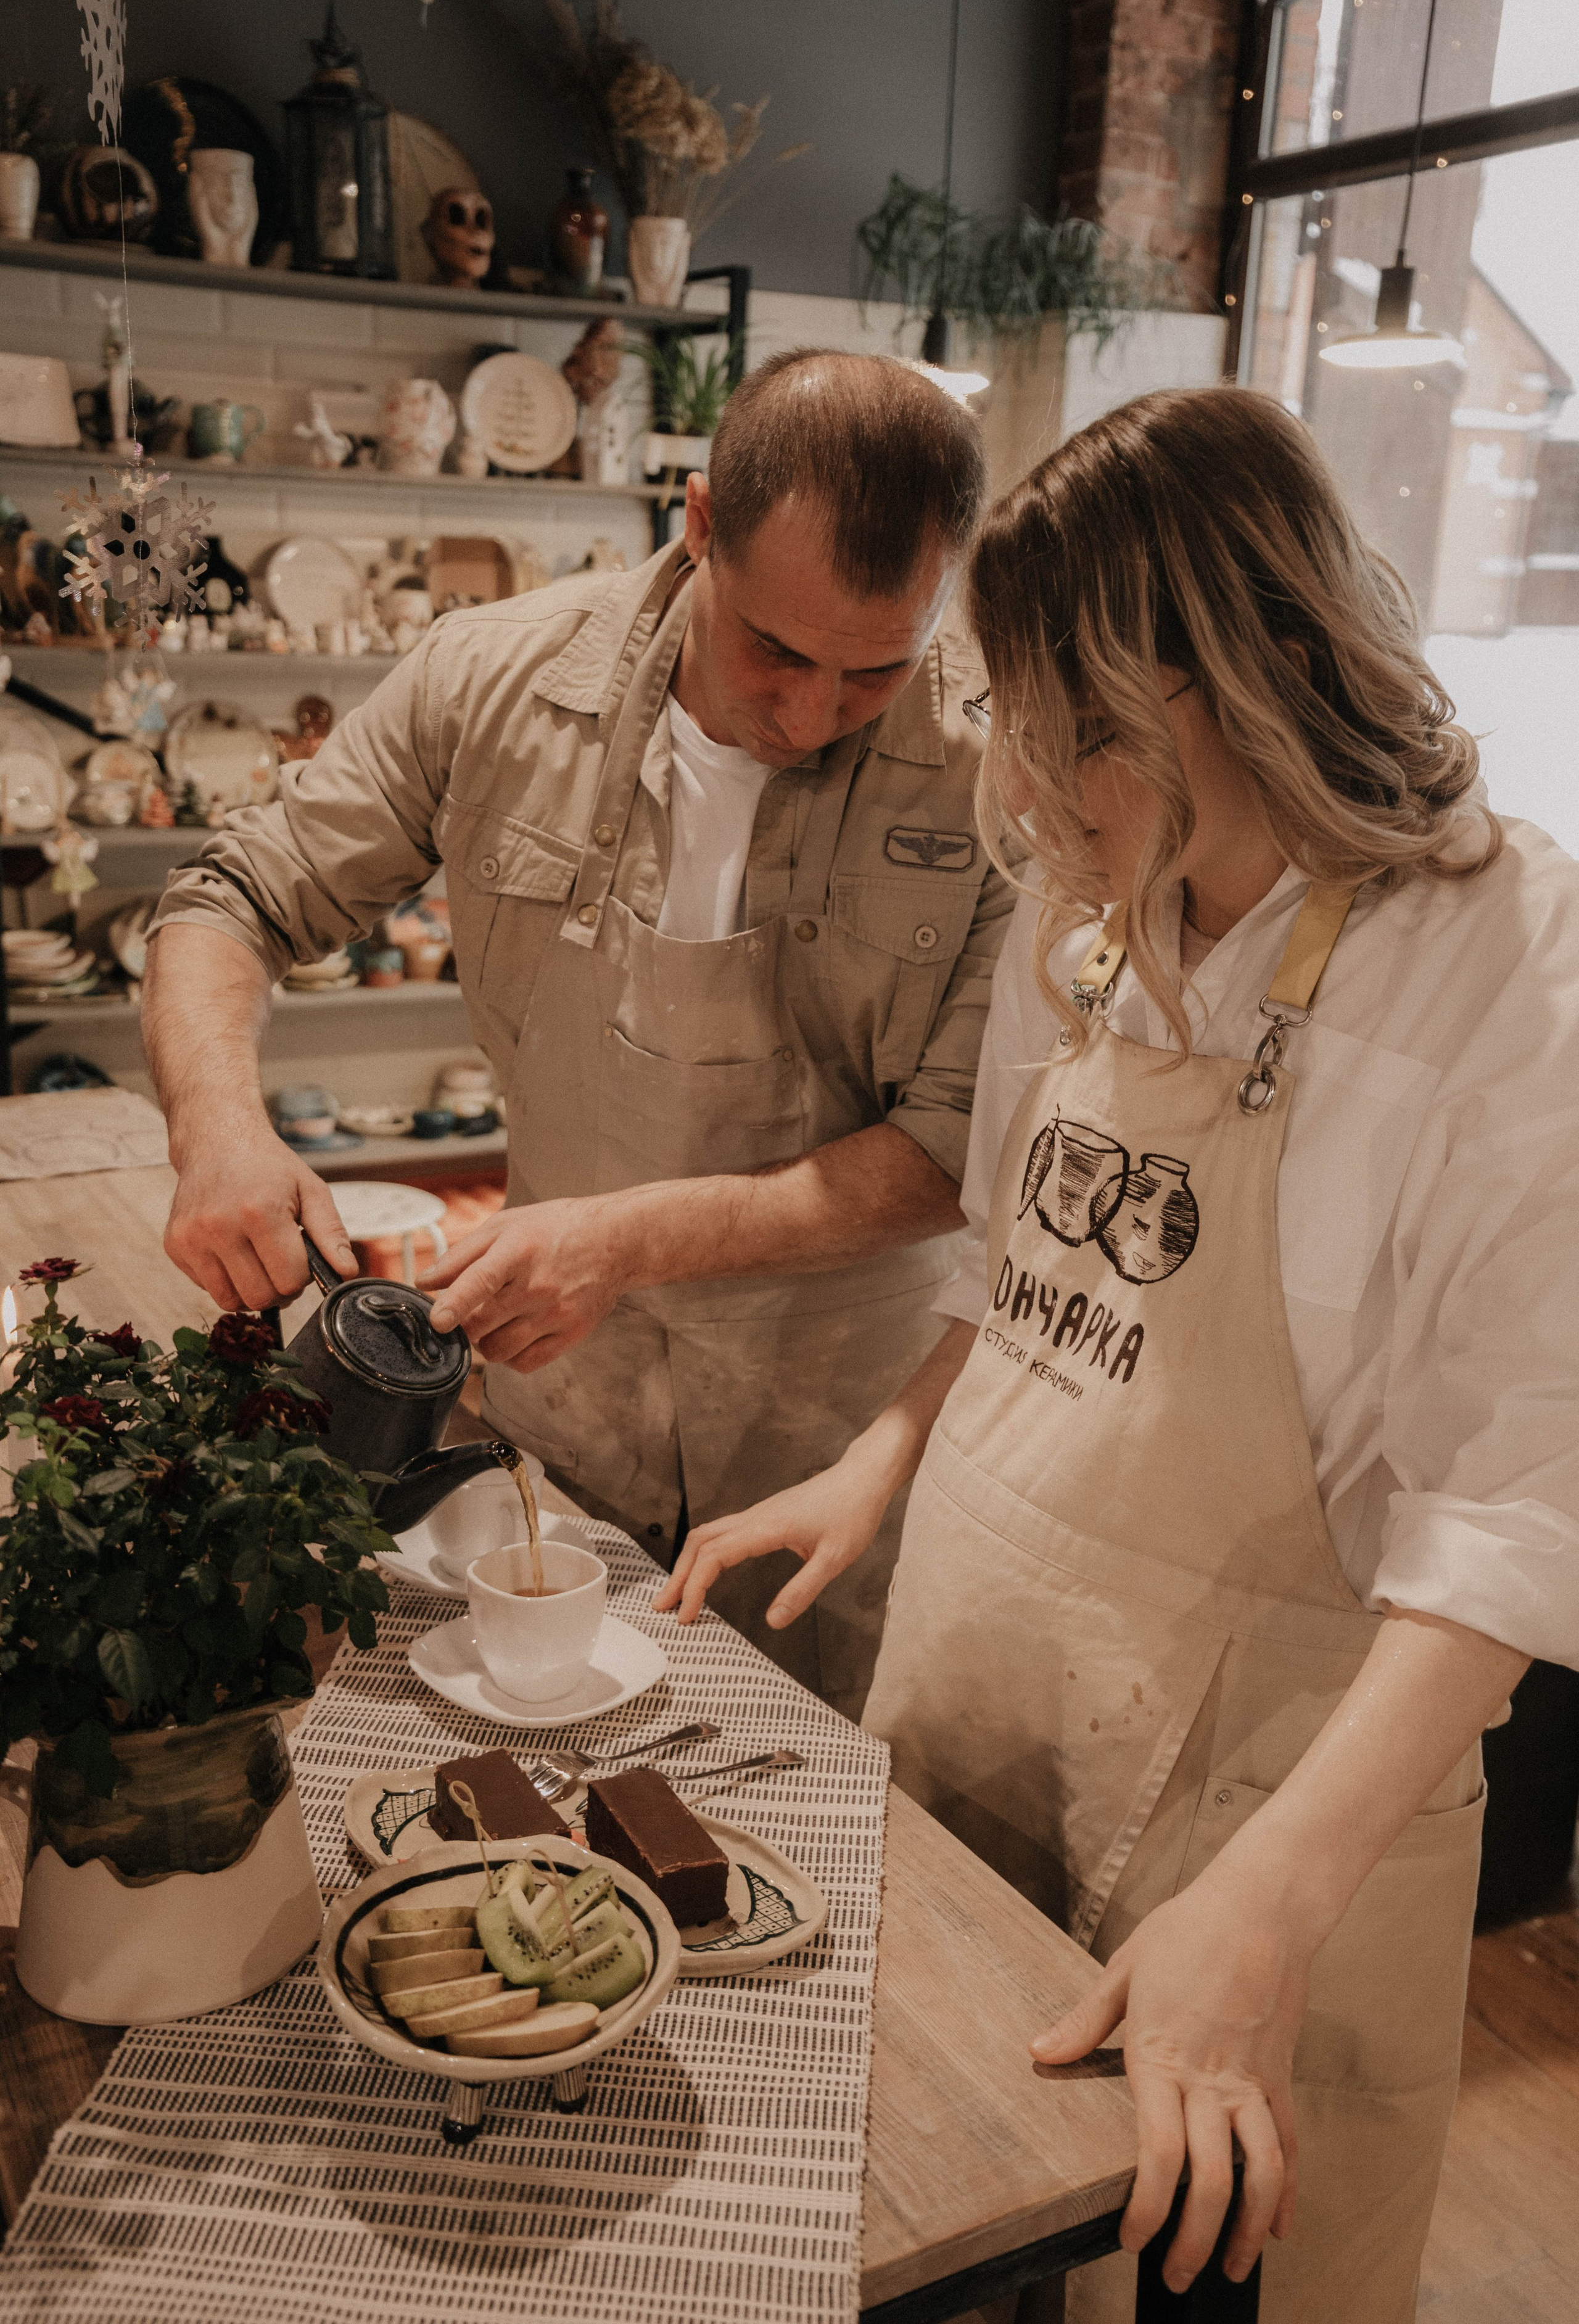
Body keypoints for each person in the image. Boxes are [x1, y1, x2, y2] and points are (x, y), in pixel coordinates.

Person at [656, 386, 1579, 2317]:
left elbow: (1517, 1516)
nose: (1029, 781)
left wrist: (1270, 1901)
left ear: (1244, 674)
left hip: (1280, 1810)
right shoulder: (1089, 908)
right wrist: (881, 1458)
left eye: (1071, 724)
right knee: (945, 2234)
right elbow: (1023, 1274)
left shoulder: (1511, 967)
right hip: (989, 1686)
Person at [142, 350, 1015, 1718]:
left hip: (837, 1440)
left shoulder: (1000, 766)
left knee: (804, 1792)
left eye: (873, 674)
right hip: (562, 1399)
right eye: (776, 652)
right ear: (699, 522)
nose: (806, 716)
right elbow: (230, 899)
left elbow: (960, 1150)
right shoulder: (493, 677)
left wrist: (627, 1239)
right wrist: (218, 1128)